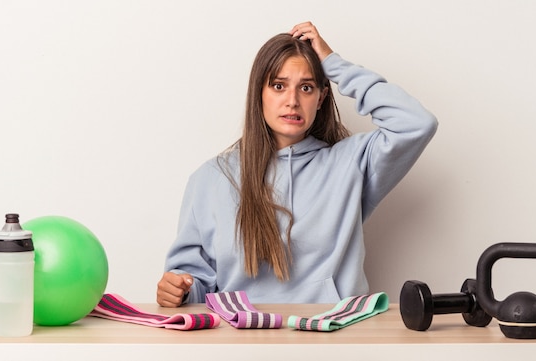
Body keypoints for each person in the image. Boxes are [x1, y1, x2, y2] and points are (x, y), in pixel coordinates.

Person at [156, 22, 437, 307]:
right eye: (278, 86)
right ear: (259, 93)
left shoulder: (351, 164)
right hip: (243, 336)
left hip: (335, 332)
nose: (292, 101)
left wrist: (332, 63)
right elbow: (193, 280)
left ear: (321, 97)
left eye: (306, 87)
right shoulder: (212, 178)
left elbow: (416, 124)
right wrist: (180, 289)